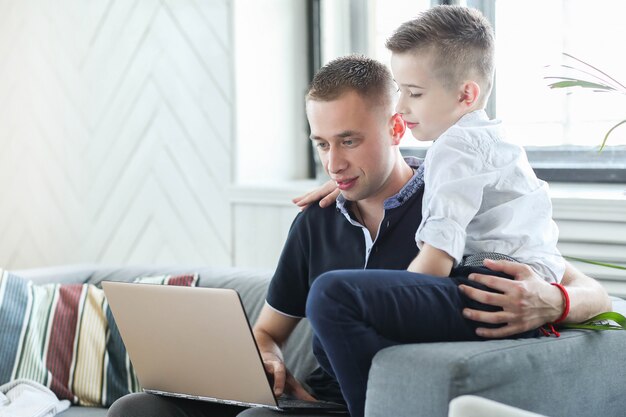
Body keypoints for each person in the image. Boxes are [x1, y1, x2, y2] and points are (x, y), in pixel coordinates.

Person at [107, 55, 611, 417]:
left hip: (374, 403)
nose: (334, 163)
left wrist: (555, 301)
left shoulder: (452, 199)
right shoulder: (316, 222)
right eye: (322, 144)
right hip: (311, 397)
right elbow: (268, 333)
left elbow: (596, 292)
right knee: (136, 409)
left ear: (396, 128)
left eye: (349, 140)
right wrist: (265, 357)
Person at [383, 6, 564, 282]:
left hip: (496, 279)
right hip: (539, 277)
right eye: (400, 90)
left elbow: (438, 255)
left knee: (341, 290)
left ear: (466, 95)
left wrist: (392, 296)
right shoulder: (495, 137)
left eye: (414, 93)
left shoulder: (455, 144)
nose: (400, 106)